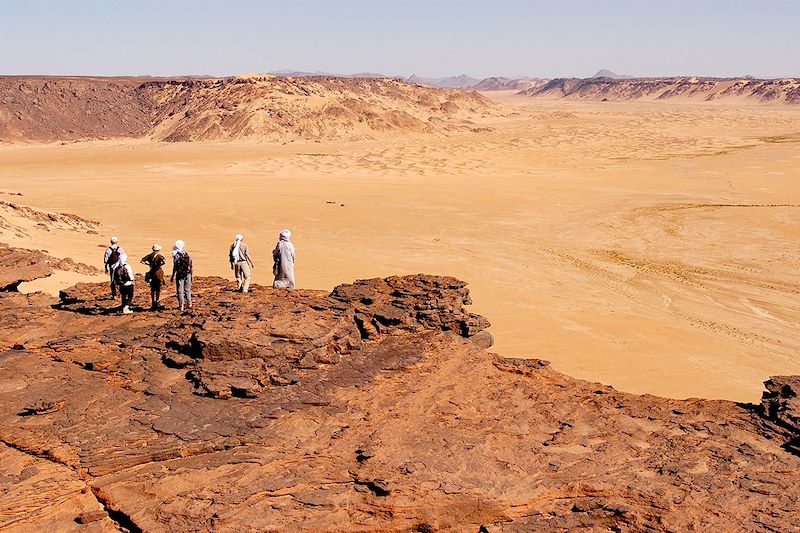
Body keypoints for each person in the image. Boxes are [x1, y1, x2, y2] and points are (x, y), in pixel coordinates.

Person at [141, 244, 166, 310]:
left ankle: (153, 302)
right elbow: (164, 261)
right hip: (158, 273)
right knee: (158, 288)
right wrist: (159, 265)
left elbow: (142, 261)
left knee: (152, 288)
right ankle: (157, 301)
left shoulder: (150, 255)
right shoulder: (159, 256)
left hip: (151, 272)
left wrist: (149, 264)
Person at [170, 240, 193, 311]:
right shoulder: (187, 254)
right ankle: (189, 304)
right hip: (188, 273)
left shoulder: (176, 256)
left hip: (180, 275)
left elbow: (175, 267)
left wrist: (172, 276)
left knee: (180, 290)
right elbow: (191, 265)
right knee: (187, 290)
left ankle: (181, 306)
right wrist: (191, 274)